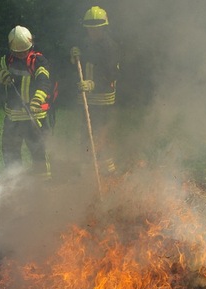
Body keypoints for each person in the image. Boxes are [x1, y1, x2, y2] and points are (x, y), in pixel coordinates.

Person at [0, 25, 54, 180]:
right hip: (13, 116)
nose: (21, 55)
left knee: (38, 152)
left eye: (24, 51)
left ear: (30, 46)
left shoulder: (39, 61)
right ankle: (16, 184)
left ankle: (44, 186)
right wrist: (0, 74)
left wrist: (37, 100)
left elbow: (44, 81)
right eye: (18, 52)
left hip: (34, 116)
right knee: (10, 150)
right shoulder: (6, 59)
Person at [71, 5, 121, 174]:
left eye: (96, 29)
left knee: (101, 135)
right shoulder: (85, 44)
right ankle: (87, 170)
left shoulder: (110, 47)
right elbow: (81, 68)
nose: (92, 33)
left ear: (103, 28)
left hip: (103, 100)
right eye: (90, 30)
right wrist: (74, 57)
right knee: (85, 134)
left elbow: (112, 73)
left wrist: (93, 84)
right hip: (87, 98)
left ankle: (108, 171)